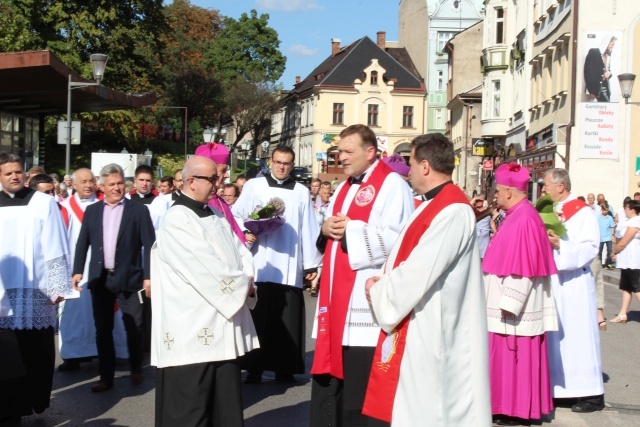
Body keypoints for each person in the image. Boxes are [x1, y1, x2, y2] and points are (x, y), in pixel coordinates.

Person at [361, 134, 491, 427]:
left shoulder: (453, 210)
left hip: (434, 327)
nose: (407, 171)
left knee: (432, 409)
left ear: (425, 165)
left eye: (410, 163)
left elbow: (419, 270)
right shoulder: (433, 205)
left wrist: (379, 289)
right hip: (422, 319)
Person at [310, 124, 415, 427]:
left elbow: (400, 241)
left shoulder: (392, 184)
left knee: (359, 383)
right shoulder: (344, 186)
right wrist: (326, 229)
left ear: (370, 152)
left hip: (362, 302)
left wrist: (350, 231)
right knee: (333, 381)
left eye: (347, 151)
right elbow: (331, 227)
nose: (340, 157)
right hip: (335, 295)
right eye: (339, 151)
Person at [152, 156, 258, 427]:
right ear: (190, 181)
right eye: (212, 179)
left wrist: (246, 276)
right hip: (193, 334)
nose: (219, 183)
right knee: (192, 412)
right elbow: (204, 270)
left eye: (219, 178)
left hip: (221, 327)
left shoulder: (215, 213)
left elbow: (239, 251)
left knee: (223, 410)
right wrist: (242, 285)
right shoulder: (177, 220)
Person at [233, 145, 321, 384]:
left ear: (292, 165)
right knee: (259, 317)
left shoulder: (301, 192)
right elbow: (237, 214)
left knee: (287, 318)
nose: (282, 167)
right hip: (260, 260)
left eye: (287, 163)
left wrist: (311, 264)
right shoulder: (254, 185)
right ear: (270, 161)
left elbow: (309, 227)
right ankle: (254, 368)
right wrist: (246, 232)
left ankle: (285, 368)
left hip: (289, 264)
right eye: (278, 162)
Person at [483, 163, 558, 426]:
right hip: (507, 305)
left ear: (509, 192)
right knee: (505, 362)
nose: (496, 196)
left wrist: (510, 304)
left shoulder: (524, 218)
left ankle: (515, 410)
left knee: (514, 360)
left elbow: (523, 269)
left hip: (514, 308)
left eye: (498, 191)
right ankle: (505, 406)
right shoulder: (518, 214)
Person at [0, 154, 72, 422]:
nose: (14, 177)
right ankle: (9, 409)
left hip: (35, 290)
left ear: (25, 174)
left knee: (35, 354)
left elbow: (55, 242)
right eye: (8, 173)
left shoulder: (43, 203)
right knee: (7, 356)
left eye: (18, 172)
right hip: (2, 293)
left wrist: (57, 284)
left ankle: (35, 401)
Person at [72, 163, 156, 392]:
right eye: (111, 184)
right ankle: (106, 377)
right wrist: (77, 270)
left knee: (135, 328)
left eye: (120, 183)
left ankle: (136, 367)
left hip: (130, 278)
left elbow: (150, 246)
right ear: (102, 186)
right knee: (103, 330)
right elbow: (83, 243)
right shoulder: (93, 211)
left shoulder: (138, 211)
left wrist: (148, 276)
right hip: (101, 279)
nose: (117, 188)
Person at [543, 168, 605, 413]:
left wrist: (560, 244)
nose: (544, 189)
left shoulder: (583, 212)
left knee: (579, 337)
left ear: (561, 186)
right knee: (558, 337)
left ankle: (591, 394)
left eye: (546, 185)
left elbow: (590, 248)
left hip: (575, 283)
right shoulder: (550, 210)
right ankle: (563, 389)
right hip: (556, 281)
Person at [58, 169, 129, 371]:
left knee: (109, 316)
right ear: (73, 184)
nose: (88, 185)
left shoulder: (107, 206)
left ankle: (112, 353)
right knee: (75, 315)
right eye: (83, 182)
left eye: (91, 181)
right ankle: (73, 354)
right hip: (77, 271)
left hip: (103, 271)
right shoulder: (64, 209)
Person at [610, 200, 640, 324]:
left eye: (626, 209)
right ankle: (622, 314)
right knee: (627, 287)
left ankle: (623, 314)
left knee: (637, 288)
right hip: (627, 260)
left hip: (634, 261)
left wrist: (614, 252)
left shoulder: (636, 221)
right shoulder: (629, 222)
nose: (624, 211)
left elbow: (623, 242)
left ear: (633, 210)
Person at [584, 36, 617, 102]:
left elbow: (608, 70)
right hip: (596, 88)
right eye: (612, 44)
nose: (612, 47)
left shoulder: (608, 56)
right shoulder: (593, 52)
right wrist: (591, 90)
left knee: (606, 108)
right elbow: (587, 71)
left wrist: (609, 73)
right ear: (606, 43)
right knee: (604, 107)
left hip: (606, 86)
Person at [597, 201, 616, 268]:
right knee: (599, 251)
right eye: (604, 210)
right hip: (601, 237)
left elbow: (612, 226)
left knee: (609, 250)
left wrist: (613, 235)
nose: (606, 212)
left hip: (608, 236)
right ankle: (599, 264)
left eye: (607, 210)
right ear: (602, 210)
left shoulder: (609, 218)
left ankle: (608, 263)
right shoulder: (598, 218)